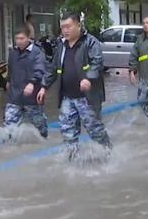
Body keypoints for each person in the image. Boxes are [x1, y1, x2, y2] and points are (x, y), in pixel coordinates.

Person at [37, 12, 111, 160]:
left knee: (95, 130)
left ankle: (107, 155)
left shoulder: (90, 42)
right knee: (67, 132)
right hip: (67, 98)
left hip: (87, 98)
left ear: (78, 25)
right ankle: (72, 162)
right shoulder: (61, 46)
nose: (65, 30)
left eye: (68, 26)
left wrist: (88, 78)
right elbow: (53, 68)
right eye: (62, 27)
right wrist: (44, 86)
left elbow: (97, 62)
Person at [4, 27, 48, 140]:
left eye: (21, 38)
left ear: (28, 38)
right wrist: (8, 81)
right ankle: (9, 145)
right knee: (9, 125)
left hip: (32, 97)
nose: (19, 41)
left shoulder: (37, 52)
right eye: (17, 39)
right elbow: (11, 69)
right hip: (14, 96)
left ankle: (44, 140)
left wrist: (32, 83)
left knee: (39, 124)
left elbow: (40, 70)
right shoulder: (13, 53)